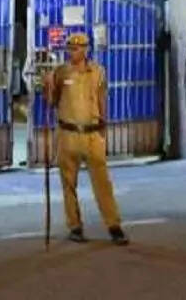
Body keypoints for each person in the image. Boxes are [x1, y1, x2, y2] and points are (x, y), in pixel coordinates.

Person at [43, 32, 128, 245]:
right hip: (68, 134)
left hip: (92, 134)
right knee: (68, 184)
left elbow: (101, 100)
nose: (72, 52)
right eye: (70, 49)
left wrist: (103, 127)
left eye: (76, 48)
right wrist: (48, 85)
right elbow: (51, 102)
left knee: (103, 183)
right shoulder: (61, 72)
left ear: (86, 49)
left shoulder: (98, 72)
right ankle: (75, 226)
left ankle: (114, 226)